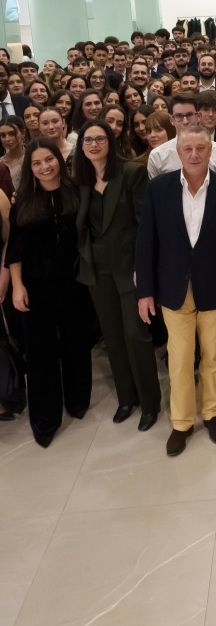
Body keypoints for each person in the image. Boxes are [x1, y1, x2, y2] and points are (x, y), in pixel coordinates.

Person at [136, 126, 216, 457]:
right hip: (172, 288)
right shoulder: (158, 189)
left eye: (200, 148)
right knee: (179, 358)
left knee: (215, 356)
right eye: (187, 148)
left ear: (210, 151)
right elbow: (146, 242)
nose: (193, 154)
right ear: (177, 152)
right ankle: (182, 422)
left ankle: (212, 413)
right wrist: (145, 290)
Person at [74, 119, 160, 432]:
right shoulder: (79, 179)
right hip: (97, 270)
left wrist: (144, 266)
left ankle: (150, 403)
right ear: (81, 147)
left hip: (130, 268)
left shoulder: (131, 173)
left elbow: (146, 225)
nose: (93, 144)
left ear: (111, 142)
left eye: (99, 138)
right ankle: (127, 399)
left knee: (136, 335)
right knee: (112, 337)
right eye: (87, 140)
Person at [6, 139, 92, 447]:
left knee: (75, 345)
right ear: (30, 169)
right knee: (41, 355)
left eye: (49, 159)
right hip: (35, 286)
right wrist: (17, 286)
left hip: (73, 284)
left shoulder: (77, 193)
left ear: (59, 159)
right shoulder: (24, 202)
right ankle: (45, 420)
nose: (45, 167)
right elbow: (14, 250)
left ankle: (78, 401)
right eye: (37, 163)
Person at [0, 116, 26, 186]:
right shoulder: (1, 163)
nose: (7, 139)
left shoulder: (33, 157)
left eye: (12, 134)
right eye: (3, 135)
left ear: (23, 133)